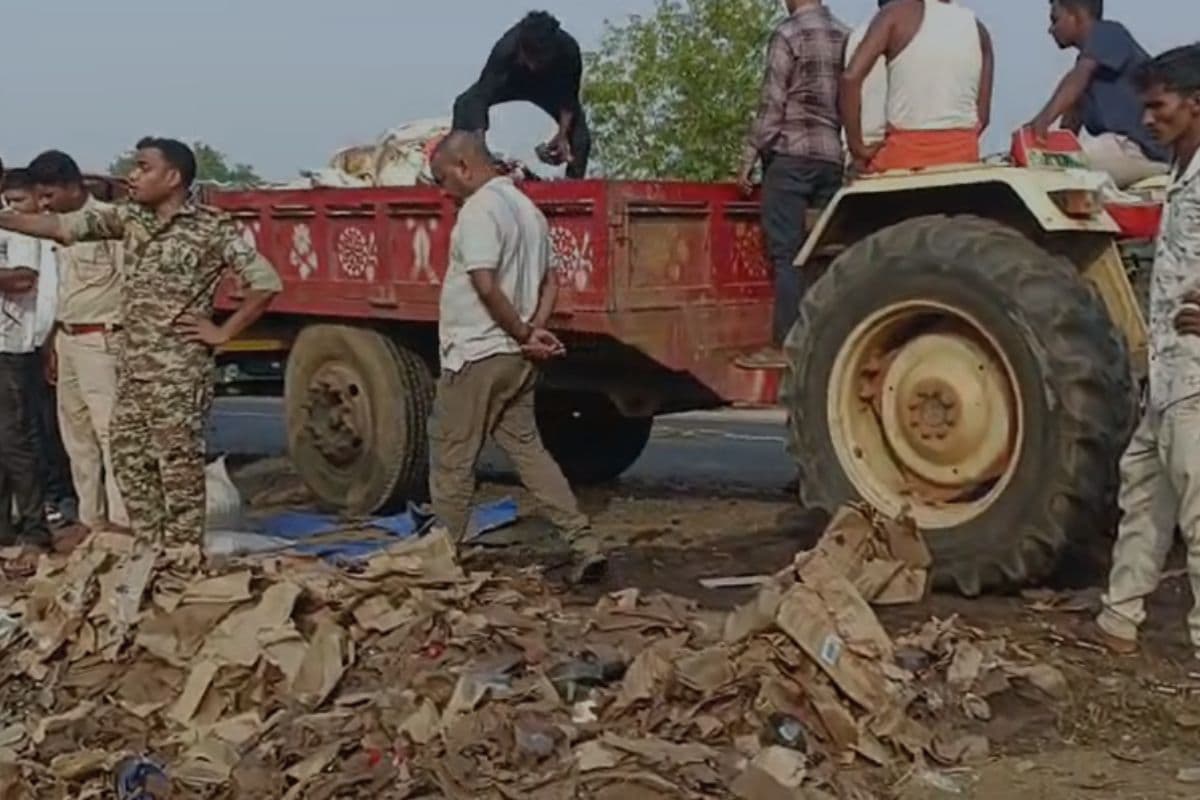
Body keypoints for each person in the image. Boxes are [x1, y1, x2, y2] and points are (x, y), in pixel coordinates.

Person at [0, 138, 282, 548]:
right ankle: (149, 549)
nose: (132, 175)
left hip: (179, 371)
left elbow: (265, 282)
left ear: (173, 177)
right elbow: (58, 227)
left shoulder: (210, 227)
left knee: (178, 469)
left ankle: (183, 557)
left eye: (143, 167)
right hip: (134, 368)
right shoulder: (130, 219)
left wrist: (222, 331)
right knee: (130, 462)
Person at [427, 130, 604, 583]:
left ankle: (441, 563)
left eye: (442, 179)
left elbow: (485, 284)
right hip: (515, 359)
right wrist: (532, 332)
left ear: (464, 166)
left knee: (452, 460)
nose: (442, 192)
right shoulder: (528, 210)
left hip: (476, 352)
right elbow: (551, 282)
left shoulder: (479, 211)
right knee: (530, 453)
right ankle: (583, 543)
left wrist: (524, 331)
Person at [1092, 45, 1200, 657]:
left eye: (1159, 107)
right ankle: (1119, 619)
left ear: (1195, 103)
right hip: (1167, 372)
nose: (1148, 120)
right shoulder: (1179, 175)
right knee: (1143, 491)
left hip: (1196, 377)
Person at [736, 0, 848, 369]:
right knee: (823, 253)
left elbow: (772, 106)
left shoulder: (788, 34)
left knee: (787, 255)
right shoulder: (846, 36)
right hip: (831, 158)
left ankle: (784, 344)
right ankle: (826, 341)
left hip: (791, 157)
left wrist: (750, 154)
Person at [27, 150, 127, 533]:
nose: (44, 203)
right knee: (76, 437)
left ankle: (121, 523)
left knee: (111, 435)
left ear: (72, 186)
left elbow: (131, 286)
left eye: (49, 194)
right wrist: (54, 341)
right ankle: (92, 521)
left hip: (103, 339)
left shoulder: (110, 223)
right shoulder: (56, 230)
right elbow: (58, 290)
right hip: (67, 339)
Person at [1029, 0, 1169, 188]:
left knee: (1057, 171)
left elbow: (1076, 78)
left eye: (1055, 20)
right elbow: (1070, 124)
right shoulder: (1088, 72)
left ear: (1076, 15)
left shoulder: (1109, 33)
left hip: (1138, 148)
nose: (1050, 30)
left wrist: (1041, 122)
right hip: (1121, 151)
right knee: (1050, 163)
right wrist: (1047, 146)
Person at [842, 0, 994, 174]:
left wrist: (858, 149)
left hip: (904, 155)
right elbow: (982, 118)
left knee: (855, 173)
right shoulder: (977, 29)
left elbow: (850, 78)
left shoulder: (896, 15)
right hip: (964, 154)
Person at [453, 11, 590, 179]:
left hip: (550, 88)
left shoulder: (569, 50)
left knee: (580, 137)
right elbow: (481, 96)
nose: (534, 66)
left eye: (540, 60)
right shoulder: (505, 49)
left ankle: (573, 185)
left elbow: (569, 101)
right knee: (464, 103)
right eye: (530, 59)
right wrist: (479, 147)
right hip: (511, 82)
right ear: (520, 49)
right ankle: (461, 170)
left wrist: (562, 136)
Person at [0, 168, 52, 549]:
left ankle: (36, 528)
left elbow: (23, 279)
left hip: (9, 347)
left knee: (15, 441)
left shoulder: (15, 224)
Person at [843, 0, 902, 165]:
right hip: (893, 144)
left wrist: (855, 148)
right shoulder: (909, 33)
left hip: (863, 144)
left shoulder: (858, 36)